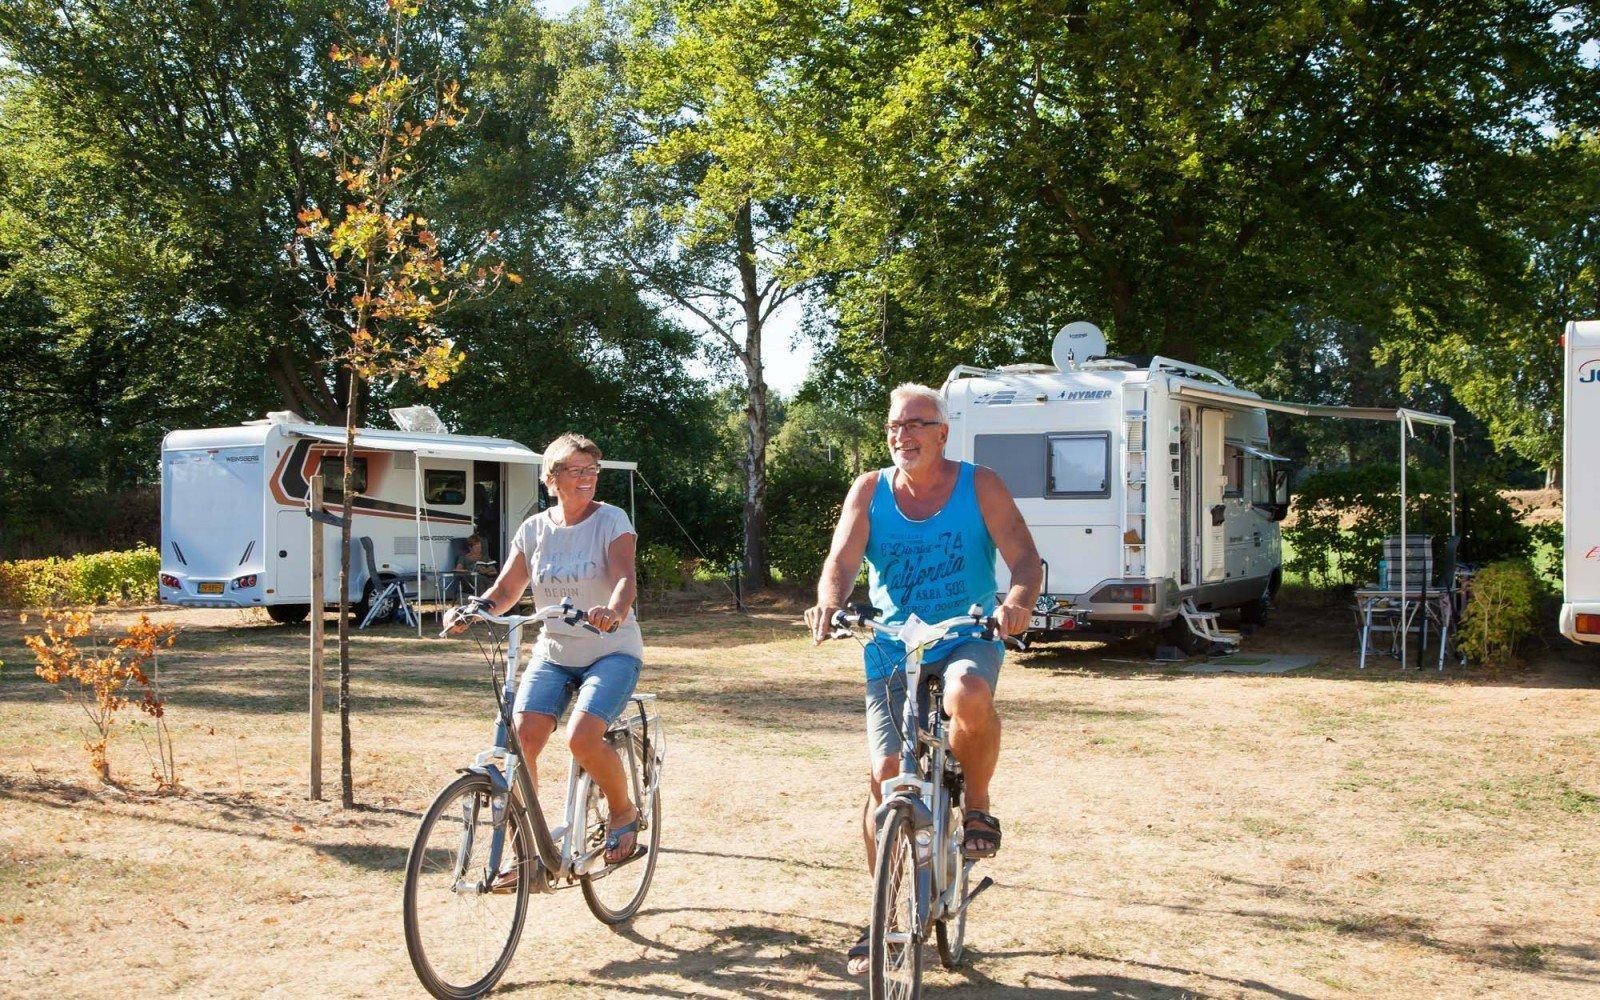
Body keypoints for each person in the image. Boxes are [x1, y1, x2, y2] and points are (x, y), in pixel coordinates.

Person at [804, 383, 1042, 975]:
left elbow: (1023, 558)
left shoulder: (978, 484)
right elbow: (841, 559)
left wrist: (1015, 603)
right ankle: (882, 912)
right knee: (884, 780)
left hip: (966, 632)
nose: (901, 435)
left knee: (969, 692)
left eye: (915, 424)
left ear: (942, 432)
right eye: (893, 426)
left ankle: (979, 805)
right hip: (892, 642)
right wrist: (830, 602)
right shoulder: (870, 490)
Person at [446, 433, 644, 868]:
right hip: (553, 652)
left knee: (581, 737)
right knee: (522, 738)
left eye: (593, 470)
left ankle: (622, 810)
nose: (588, 478)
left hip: (611, 650)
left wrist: (612, 610)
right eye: (577, 471)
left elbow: (625, 577)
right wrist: (474, 610)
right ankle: (530, 850)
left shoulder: (612, 520)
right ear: (550, 479)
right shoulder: (534, 529)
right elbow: (506, 590)